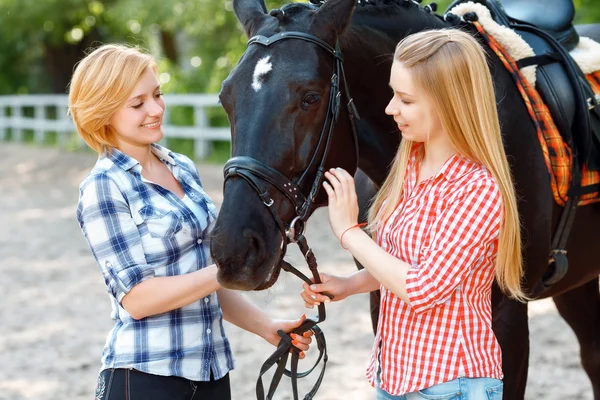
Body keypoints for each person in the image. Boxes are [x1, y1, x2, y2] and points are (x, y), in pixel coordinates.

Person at [69, 44, 312, 400]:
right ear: (103, 112)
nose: (155, 109)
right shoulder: (104, 186)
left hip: (212, 372)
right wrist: (229, 265)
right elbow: (138, 299)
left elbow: (204, 277)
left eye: (157, 95)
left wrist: (266, 326)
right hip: (147, 376)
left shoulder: (181, 167)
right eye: (137, 104)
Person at [300, 29, 528, 400]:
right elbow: (405, 262)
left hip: (450, 385)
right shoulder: (410, 166)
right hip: (395, 377)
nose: (391, 109)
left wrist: (349, 232)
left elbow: (422, 288)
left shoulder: (477, 189)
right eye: (393, 94)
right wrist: (349, 283)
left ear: (449, 103)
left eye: (405, 99)